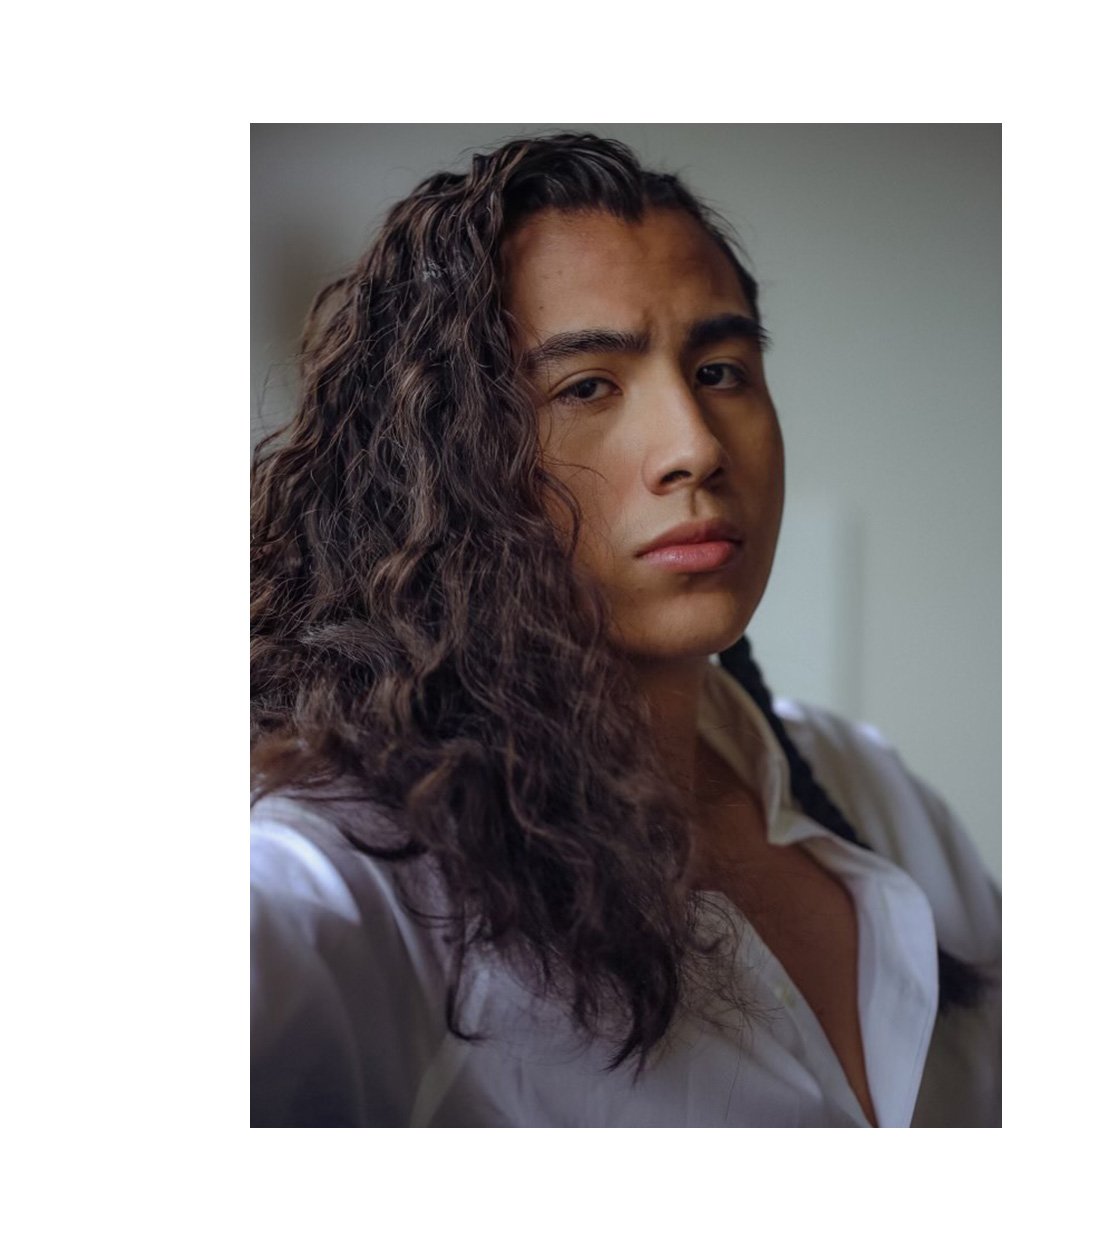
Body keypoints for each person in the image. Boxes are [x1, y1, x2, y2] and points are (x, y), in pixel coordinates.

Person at [250, 132, 1001, 1127]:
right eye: (587, 387)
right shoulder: (360, 872)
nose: (694, 447)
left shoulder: (871, 790)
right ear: (440, 460)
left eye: (720, 369)